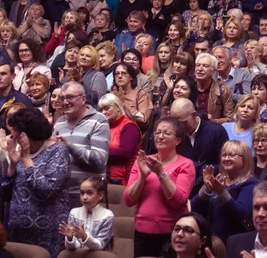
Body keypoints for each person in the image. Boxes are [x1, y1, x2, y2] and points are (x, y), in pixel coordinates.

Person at [0, 108, 70, 258]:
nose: (13, 136)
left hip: (46, 233)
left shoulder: (58, 151)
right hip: (17, 232)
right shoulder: (19, 153)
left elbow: (46, 190)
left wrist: (25, 159)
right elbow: (4, 194)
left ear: (25, 134)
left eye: (15, 133)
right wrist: (12, 166)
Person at [123, 117, 196, 257]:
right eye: (157, 133)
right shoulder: (143, 162)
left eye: (166, 133)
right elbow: (128, 200)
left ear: (178, 140)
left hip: (171, 233)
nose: (160, 137)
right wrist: (142, 176)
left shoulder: (185, 164)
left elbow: (180, 200)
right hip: (142, 232)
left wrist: (161, 173)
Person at [52, 82, 111, 208]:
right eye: (62, 98)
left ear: (83, 99)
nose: (65, 102)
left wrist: (69, 147)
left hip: (89, 196)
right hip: (62, 195)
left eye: (70, 97)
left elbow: (99, 159)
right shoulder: (59, 123)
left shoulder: (99, 120)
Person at [191, 140, 259, 243]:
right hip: (212, 240)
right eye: (224, 155)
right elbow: (193, 208)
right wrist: (207, 188)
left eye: (232, 155)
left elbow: (242, 214)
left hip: (234, 242)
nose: (226, 159)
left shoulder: (251, 183)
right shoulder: (219, 181)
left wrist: (221, 193)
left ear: (245, 159)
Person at [169, 98, 229, 196]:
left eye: (183, 123)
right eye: (175, 123)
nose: (179, 127)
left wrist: (197, 167)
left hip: (212, 189)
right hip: (183, 188)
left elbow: (225, 165)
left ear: (194, 115)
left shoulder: (216, 131)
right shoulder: (176, 135)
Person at [59, 176, 114, 251]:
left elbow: (101, 245)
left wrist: (85, 237)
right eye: (82, 193)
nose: (84, 197)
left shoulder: (107, 216)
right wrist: (70, 238)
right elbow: (73, 247)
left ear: (100, 195)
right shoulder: (74, 213)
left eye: (89, 193)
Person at [98, 94, 142, 185]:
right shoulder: (104, 127)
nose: (103, 112)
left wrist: (99, 154)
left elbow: (125, 153)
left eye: (107, 108)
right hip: (105, 177)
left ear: (118, 107)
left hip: (123, 180)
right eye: (101, 110)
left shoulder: (129, 127)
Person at [194, 53, 234, 124]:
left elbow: (230, 119)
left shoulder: (223, 91)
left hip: (212, 130)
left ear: (214, 71)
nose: (199, 69)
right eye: (198, 65)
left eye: (205, 66)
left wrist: (214, 121)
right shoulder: (188, 87)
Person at [111, 62, 153, 130]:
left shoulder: (140, 94)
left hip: (132, 130)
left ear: (131, 77)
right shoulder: (111, 95)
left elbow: (143, 119)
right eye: (117, 73)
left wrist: (123, 103)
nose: (120, 76)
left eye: (123, 73)